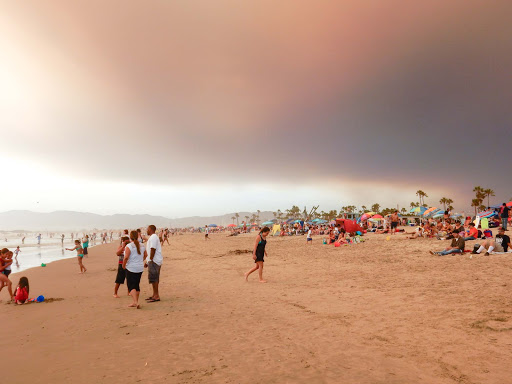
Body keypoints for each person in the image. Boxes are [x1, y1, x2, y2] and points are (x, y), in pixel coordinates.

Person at [122, 230, 146, 308]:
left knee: (131, 286)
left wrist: (123, 265)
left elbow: (126, 257)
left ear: (130, 237)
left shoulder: (129, 246)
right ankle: (135, 301)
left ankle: (135, 302)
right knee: (137, 285)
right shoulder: (142, 245)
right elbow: (146, 255)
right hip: (139, 267)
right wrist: (140, 261)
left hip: (131, 268)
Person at [145, 225, 163, 303]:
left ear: (151, 229)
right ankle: (154, 294)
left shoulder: (153, 237)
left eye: (147, 229)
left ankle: (156, 296)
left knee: (154, 278)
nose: (146, 230)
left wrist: (150, 260)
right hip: (153, 260)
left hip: (154, 261)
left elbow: (153, 249)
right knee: (153, 278)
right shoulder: (153, 237)